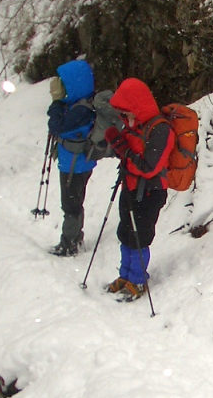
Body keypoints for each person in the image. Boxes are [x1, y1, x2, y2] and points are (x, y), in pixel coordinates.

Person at [103, 77, 174, 301]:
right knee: (125, 232)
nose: (125, 118)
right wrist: (119, 146)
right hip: (131, 187)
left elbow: (149, 167)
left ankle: (138, 280)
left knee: (140, 235)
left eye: (127, 112)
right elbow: (128, 154)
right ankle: (125, 275)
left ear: (137, 106)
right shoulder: (136, 125)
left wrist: (123, 150)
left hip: (151, 191)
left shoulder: (161, 130)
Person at [46, 60, 99, 257]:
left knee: (70, 204)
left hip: (74, 164)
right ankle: (75, 237)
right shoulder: (82, 104)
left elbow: (56, 126)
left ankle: (68, 244)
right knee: (75, 201)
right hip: (78, 162)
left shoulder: (81, 110)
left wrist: (56, 101)